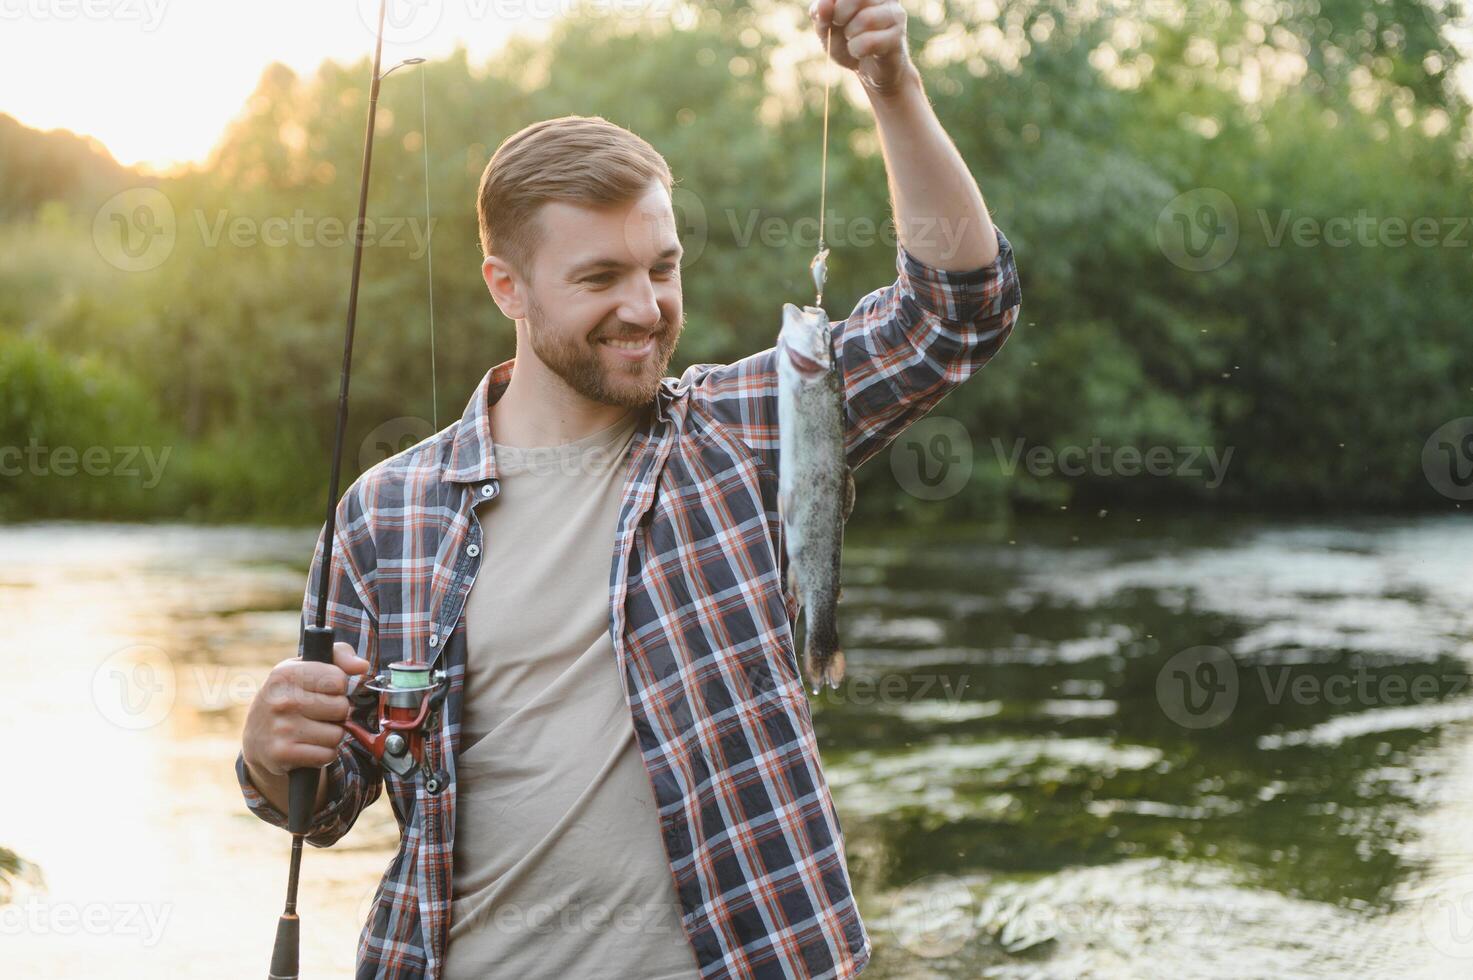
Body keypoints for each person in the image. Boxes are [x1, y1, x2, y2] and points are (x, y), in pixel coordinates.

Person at [237, 1, 1022, 976]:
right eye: (602, 276)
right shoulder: (382, 513)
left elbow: (959, 312)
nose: (646, 307)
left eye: (664, 266)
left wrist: (892, 86)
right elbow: (334, 787)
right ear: (505, 286)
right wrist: (275, 751)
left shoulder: (746, 431)